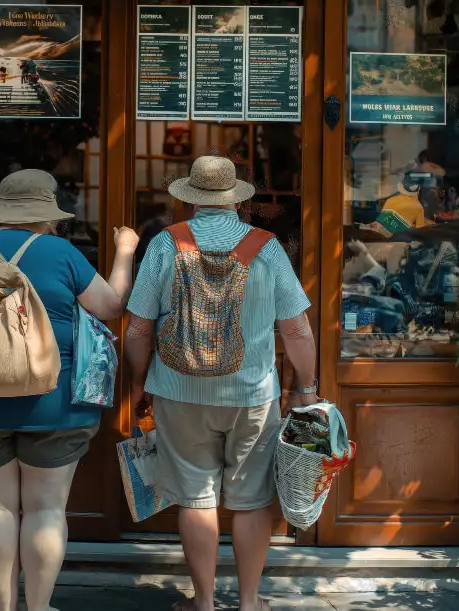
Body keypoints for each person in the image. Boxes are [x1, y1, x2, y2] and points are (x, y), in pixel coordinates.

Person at [0, 169, 139, 611]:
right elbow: (111, 307)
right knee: (46, 510)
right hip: (57, 402)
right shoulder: (62, 253)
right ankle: (40, 607)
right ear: (48, 215)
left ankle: (3, 607)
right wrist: (124, 252)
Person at [123, 156, 319, 611]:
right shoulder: (266, 247)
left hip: (177, 389)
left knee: (196, 497)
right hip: (252, 394)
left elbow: (137, 329)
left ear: (188, 198)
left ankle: (205, 603)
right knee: (250, 502)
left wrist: (139, 382)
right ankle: (249, 603)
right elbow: (297, 331)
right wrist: (305, 387)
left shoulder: (165, 245)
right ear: (236, 200)